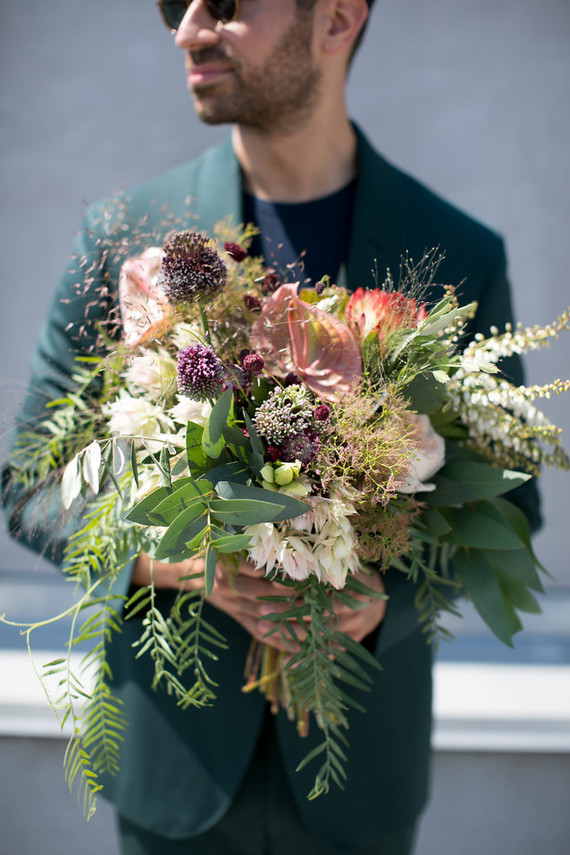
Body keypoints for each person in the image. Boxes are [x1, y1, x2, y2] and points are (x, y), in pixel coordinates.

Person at [2, 1, 540, 853]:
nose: (187, 29)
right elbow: (29, 483)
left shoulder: (457, 252)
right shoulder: (124, 241)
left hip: (359, 774)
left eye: (223, 3)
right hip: (173, 768)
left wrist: (384, 600)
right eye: (172, 6)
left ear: (336, 20)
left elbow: (511, 506)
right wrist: (173, 558)